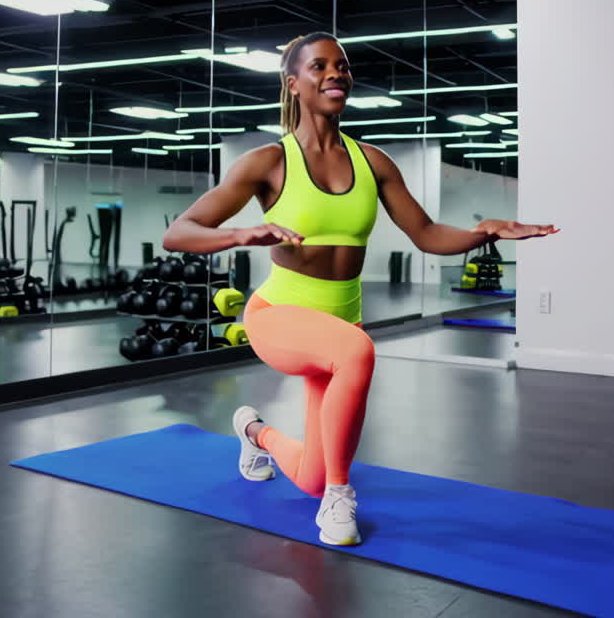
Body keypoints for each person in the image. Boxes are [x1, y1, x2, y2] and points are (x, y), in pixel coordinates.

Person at [163, 32, 559, 546]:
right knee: (356, 353)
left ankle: (255, 434)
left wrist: (485, 231)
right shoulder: (269, 162)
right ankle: (339, 498)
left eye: (342, 66)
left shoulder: (373, 162)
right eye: (320, 66)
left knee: (307, 474)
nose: (336, 74)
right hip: (277, 316)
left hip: (337, 325)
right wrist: (241, 234)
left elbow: (428, 234)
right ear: (294, 85)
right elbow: (180, 232)